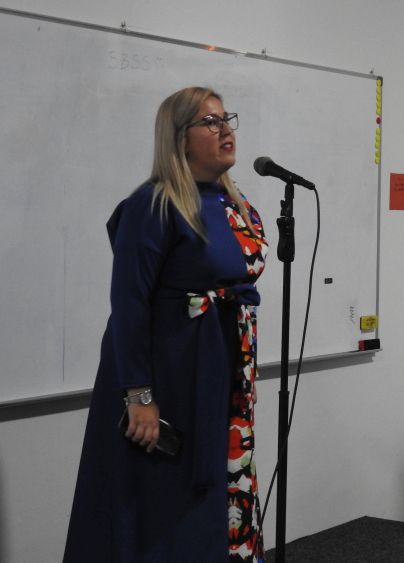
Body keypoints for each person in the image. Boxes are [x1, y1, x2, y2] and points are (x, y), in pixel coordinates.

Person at [63, 86, 269, 562]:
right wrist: (139, 395)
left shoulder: (234, 203)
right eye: (210, 122)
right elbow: (128, 305)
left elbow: (235, 287)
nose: (225, 129)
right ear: (179, 138)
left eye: (227, 119)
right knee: (162, 505)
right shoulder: (153, 205)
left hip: (219, 370)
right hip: (169, 377)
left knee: (216, 490)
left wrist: (240, 372)